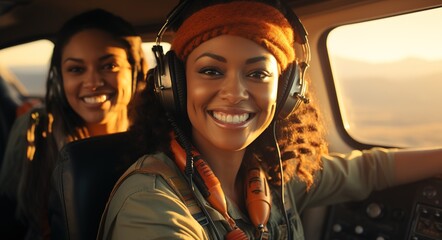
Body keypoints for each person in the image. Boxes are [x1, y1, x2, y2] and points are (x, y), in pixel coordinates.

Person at [98, 1, 442, 239]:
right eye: (211, 70)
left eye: (258, 73)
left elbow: (370, 169)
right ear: (175, 85)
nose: (234, 93)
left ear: (289, 91)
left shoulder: (273, 177)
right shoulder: (151, 204)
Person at [0, 9, 147, 240]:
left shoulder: (158, 138)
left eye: (109, 66)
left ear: (135, 71)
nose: (93, 82)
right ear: (60, 78)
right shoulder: (36, 135)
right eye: (76, 69)